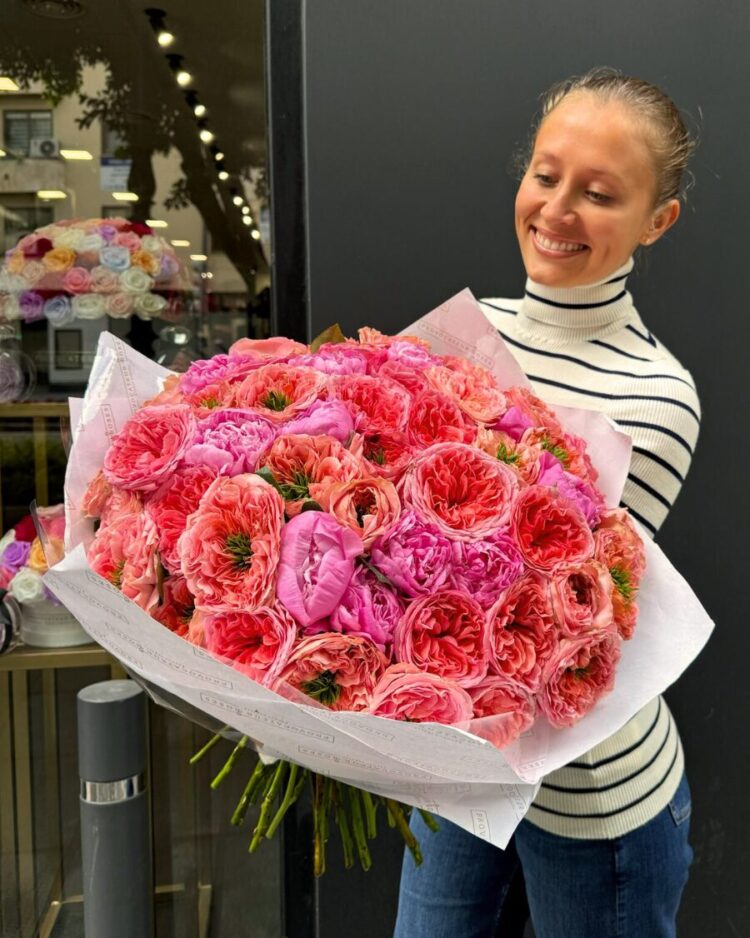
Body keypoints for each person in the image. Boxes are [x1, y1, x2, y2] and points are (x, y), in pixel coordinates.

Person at [393, 68, 700, 938]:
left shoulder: (656, 396)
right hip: (460, 765)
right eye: (545, 175)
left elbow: (560, 618)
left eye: (599, 193)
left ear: (657, 221)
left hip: (592, 794)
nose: (559, 209)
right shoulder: (460, 340)